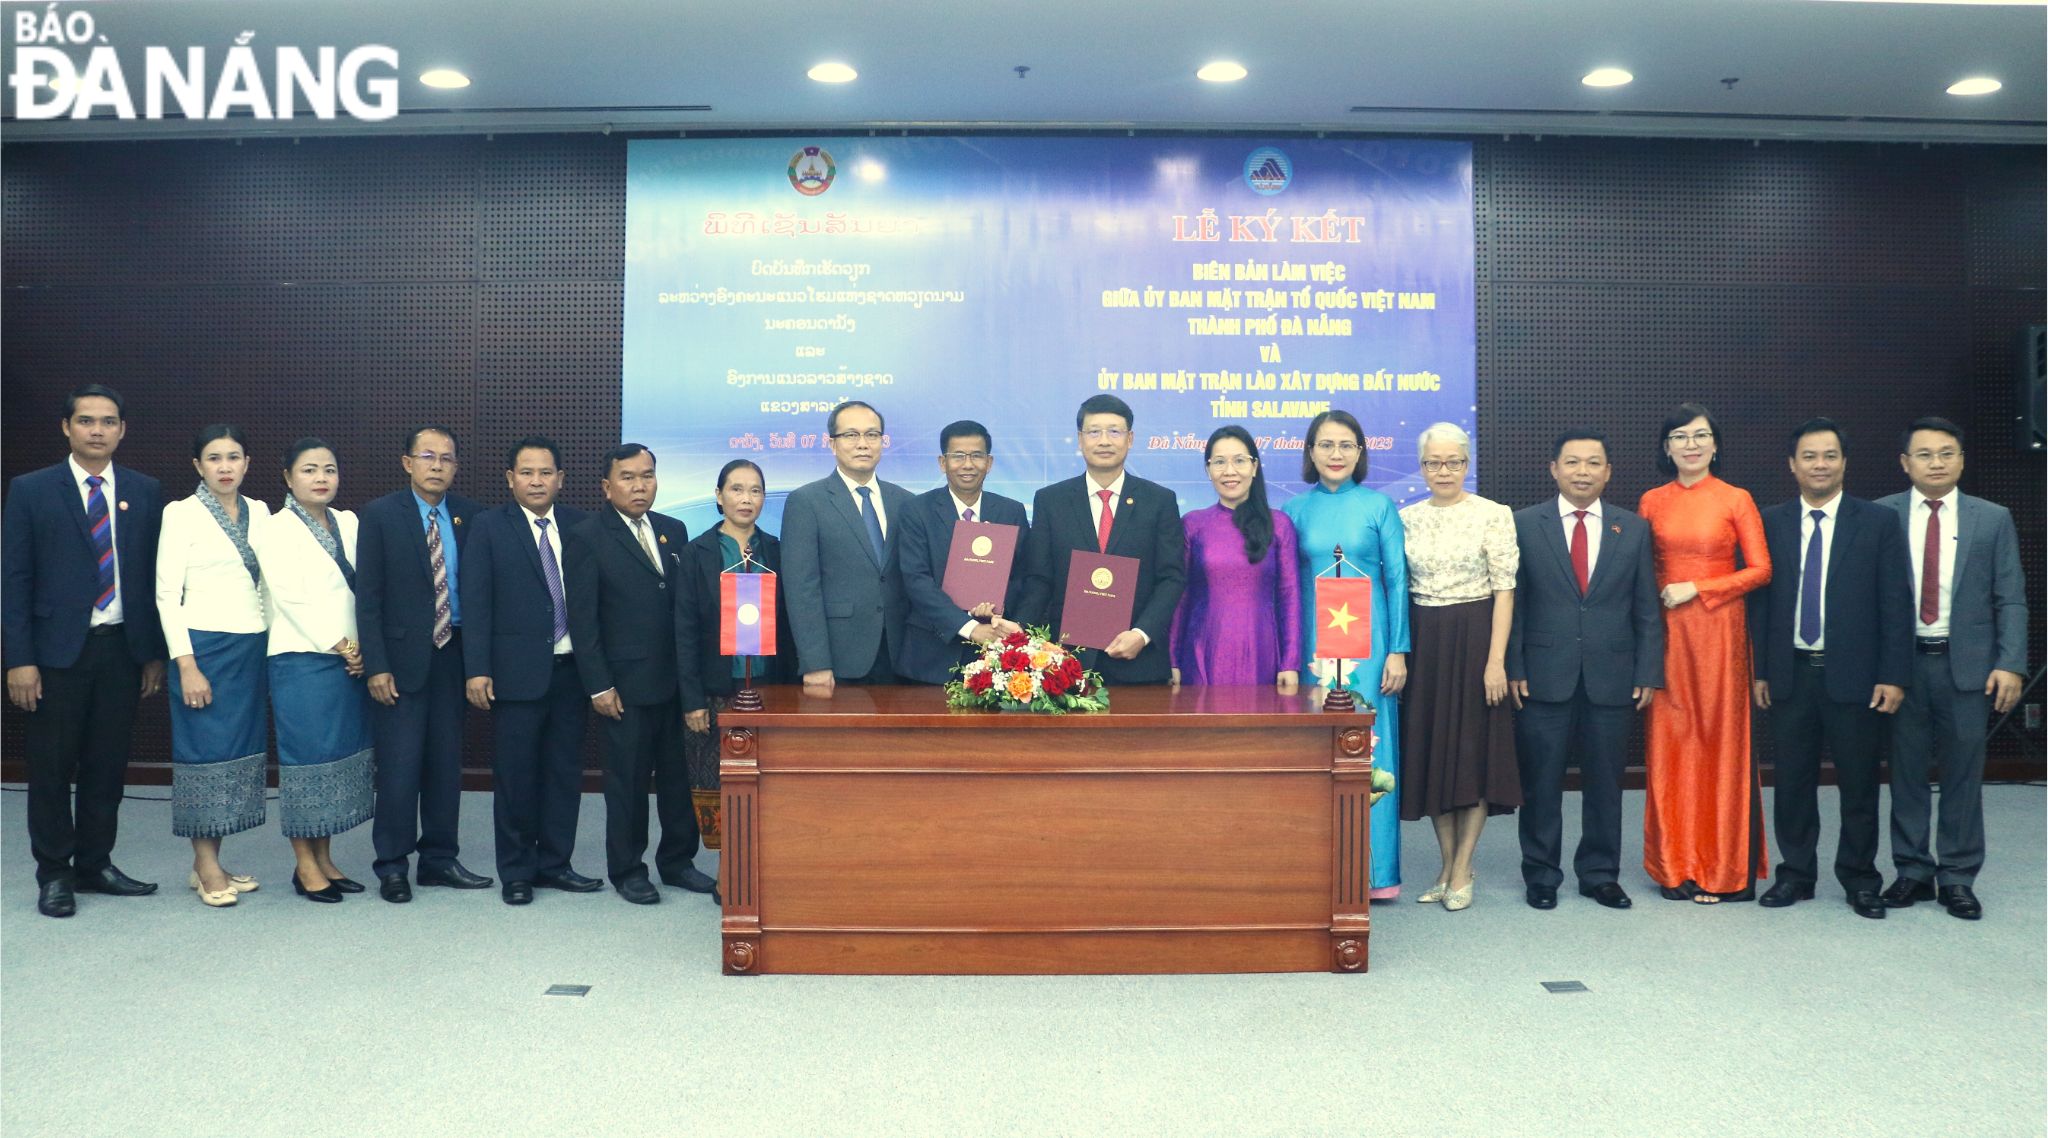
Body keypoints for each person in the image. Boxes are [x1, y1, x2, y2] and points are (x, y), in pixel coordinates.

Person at [3, 384, 167, 918]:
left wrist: (151, 652)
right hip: (54, 656)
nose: (98, 430)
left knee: (106, 766)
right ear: (66, 427)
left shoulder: (144, 491)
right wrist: (19, 659)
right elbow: (15, 579)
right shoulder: (32, 489)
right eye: (87, 421)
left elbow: (149, 579)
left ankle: (95, 863)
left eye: (109, 421)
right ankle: (55, 873)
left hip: (121, 650)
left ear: (123, 429)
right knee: (52, 769)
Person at [1750, 418, 1912, 920]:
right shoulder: (1769, 521)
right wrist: (1761, 669)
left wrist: (1893, 675)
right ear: (1792, 465)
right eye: (1809, 456)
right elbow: (1760, 605)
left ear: (1844, 462)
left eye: (1830, 456)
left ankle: (1860, 879)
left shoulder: (1878, 522)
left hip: (1858, 677)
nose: (1820, 465)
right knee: (1793, 781)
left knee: (1859, 783)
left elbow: (1895, 604)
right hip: (1791, 673)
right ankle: (1795, 874)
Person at [1877, 416, 2028, 920]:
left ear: (1962, 460)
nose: (1936, 463)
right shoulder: (1881, 516)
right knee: (1906, 772)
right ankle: (1912, 870)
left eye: (1946, 453)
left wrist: (2010, 663)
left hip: (1967, 667)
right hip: (1903, 667)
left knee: (1964, 774)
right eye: (1924, 454)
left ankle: (1958, 876)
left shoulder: (1992, 518)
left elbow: (2011, 599)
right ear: (1905, 463)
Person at [1505, 429, 1662, 911]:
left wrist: (1649, 671)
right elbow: (1514, 602)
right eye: (1572, 462)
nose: (1582, 472)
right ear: (1553, 469)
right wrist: (1513, 665)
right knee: (1541, 782)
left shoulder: (1631, 528)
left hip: (1612, 676)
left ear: (1608, 472)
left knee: (1605, 783)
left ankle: (1599, 874)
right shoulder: (1524, 524)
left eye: (1593, 463)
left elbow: (1646, 608)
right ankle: (1541, 874)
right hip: (1542, 673)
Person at [1638, 402, 1773, 904]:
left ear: (1715, 445)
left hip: (1720, 633)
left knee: (1721, 744)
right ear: (1666, 447)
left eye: (1700, 435)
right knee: (1670, 745)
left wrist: (1697, 587)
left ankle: (1724, 869)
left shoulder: (1736, 498)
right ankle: (1676, 866)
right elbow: (1641, 572)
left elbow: (1761, 569)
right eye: (1679, 436)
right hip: (1668, 636)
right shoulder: (1651, 500)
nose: (1690, 444)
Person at [356, 425, 493, 902]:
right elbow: (368, 598)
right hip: (398, 662)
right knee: (398, 768)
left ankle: (438, 859)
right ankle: (392, 865)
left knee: (444, 764)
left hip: (452, 654)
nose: (437, 466)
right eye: (428, 457)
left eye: (447, 459)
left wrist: (478, 663)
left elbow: (478, 596)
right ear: (407, 462)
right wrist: (376, 665)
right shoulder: (379, 515)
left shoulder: (471, 516)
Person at [564, 443, 702, 905]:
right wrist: (598, 684)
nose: (639, 485)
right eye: (628, 477)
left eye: (647, 475)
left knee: (677, 779)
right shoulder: (587, 536)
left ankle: (678, 862)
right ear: (607, 486)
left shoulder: (673, 529)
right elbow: (583, 621)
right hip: (622, 686)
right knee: (628, 781)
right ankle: (628, 869)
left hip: (675, 680)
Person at [1281, 409, 1409, 899]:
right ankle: (1316, 866)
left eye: (1346, 445)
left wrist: (1398, 650)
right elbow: (1288, 590)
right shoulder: (1293, 512)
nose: (1336, 454)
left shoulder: (1380, 507)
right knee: (1314, 749)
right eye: (1326, 445)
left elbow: (1397, 581)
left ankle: (1377, 874)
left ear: (1361, 452)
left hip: (1370, 648)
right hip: (1314, 647)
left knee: (1374, 747)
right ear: (1310, 453)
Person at [462, 436, 594, 906]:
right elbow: (476, 603)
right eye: (527, 472)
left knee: (563, 773)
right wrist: (476, 668)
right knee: (516, 777)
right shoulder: (488, 527)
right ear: (510, 478)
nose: (536, 481)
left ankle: (556, 864)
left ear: (560, 478)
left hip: (572, 670)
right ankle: (516, 871)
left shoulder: (582, 525)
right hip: (514, 673)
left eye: (545, 473)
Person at [1398, 422, 1520, 911]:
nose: (1443, 470)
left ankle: (1465, 866)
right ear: (1422, 466)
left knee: (1472, 755)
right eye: (1433, 462)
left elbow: (1505, 591)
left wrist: (1496, 663)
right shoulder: (1406, 517)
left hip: (1476, 638)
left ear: (1467, 465)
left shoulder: (1493, 515)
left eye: (1453, 462)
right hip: (1425, 639)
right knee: (1433, 755)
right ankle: (1446, 865)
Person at [253, 438, 374, 903]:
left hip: (350, 658)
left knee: (335, 761)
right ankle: (304, 865)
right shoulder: (275, 527)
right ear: (287, 477)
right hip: (301, 657)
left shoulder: (349, 521)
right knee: (305, 764)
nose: (321, 477)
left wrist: (362, 648)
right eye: (308, 470)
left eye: (329, 468)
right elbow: (289, 595)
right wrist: (343, 645)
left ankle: (325, 858)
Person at [157, 424, 271, 907]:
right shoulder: (180, 513)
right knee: (204, 756)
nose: (225, 467)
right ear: (198, 466)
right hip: (202, 648)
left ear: (247, 462)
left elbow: (269, 584)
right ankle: (206, 864)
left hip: (252, 647)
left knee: (237, 757)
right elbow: (166, 595)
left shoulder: (262, 512)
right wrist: (186, 665)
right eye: (214, 458)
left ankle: (212, 859)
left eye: (234, 457)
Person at [674, 459, 793, 881]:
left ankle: (765, 869)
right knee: (722, 784)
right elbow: (684, 631)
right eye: (737, 489)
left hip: (769, 686)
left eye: (755, 490)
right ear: (719, 495)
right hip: (716, 687)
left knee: (769, 782)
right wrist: (691, 700)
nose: (746, 498)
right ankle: (730, 870)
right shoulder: (698, 552)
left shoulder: (777, 550)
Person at [1015, 394, 1186, 685]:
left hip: (1138, 661)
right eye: (1094, 432)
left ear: (1130, 439)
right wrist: (1019, 630)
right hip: (1064, 662)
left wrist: (1142, 634)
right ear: (1080, 440)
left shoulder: (1159, 501)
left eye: (1114, 431)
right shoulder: (1050, 501)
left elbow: (1171, 577)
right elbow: (1039, 579)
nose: (1104, 441)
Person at [781, 401, 913, 692]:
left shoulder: (905, 501)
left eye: (872, 435)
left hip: (901, 656)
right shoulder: (807, 502)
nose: (863, 444)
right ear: (832, 444)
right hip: (839, 658)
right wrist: (815, 662)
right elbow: (802, 589)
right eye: (851, 435)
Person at [895, 419, 1030, 684]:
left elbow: (1024, 575)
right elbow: (916, 580)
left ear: (989, 463)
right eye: (958, 456)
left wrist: (1003, 617)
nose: (968, 465)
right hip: (930, 657)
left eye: (977, 456)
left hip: (997, 656)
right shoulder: (916, 510)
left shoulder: (1011, 511)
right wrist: (969, 628)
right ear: (942, 463)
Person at [1170, 426, 1301, 689]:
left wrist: (1290, 663)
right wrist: (1172, 659)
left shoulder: (1279, 524)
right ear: (1208, 470)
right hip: (1201, 653)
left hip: (1263, 654)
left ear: (1254, 467)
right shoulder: (1193, 524)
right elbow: (1180, 597)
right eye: (1219, 462)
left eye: (1239, 461)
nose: (1229, 471)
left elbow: (1290, 597)